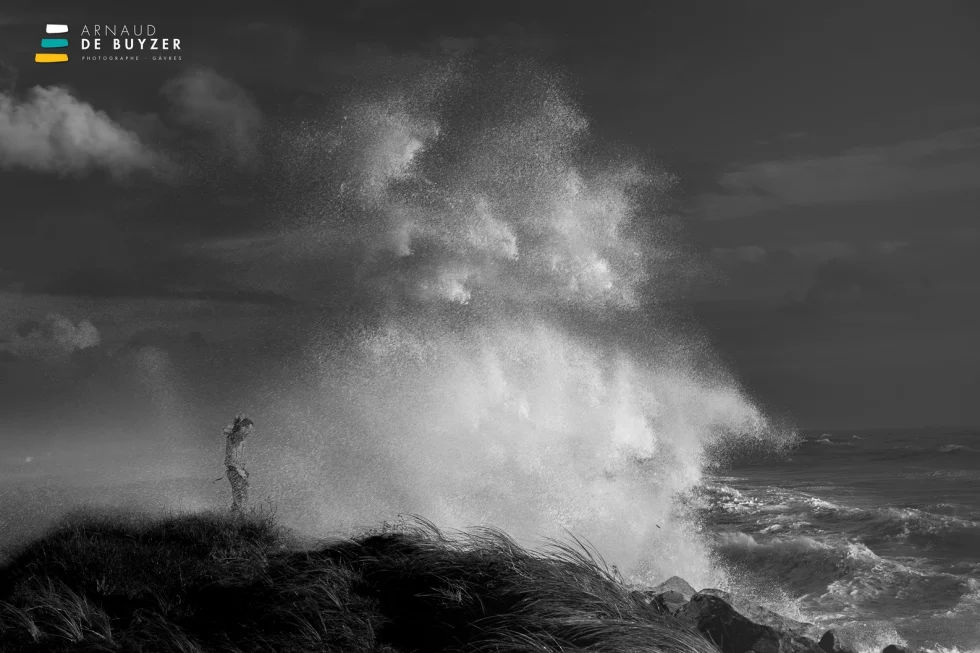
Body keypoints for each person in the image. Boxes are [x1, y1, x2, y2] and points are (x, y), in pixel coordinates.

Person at [223, 414, 254, 515]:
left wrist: (244, 469)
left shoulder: (242, 439)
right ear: (242, 428)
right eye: (248, 430)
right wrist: (238, 425)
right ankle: (240, 516)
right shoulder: (233, 436)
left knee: (242, 495)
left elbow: (240, 457)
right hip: (234, 470)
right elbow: (228, 430)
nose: (249, 433)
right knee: (240, 496)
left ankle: (238, 514)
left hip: (238, 469)